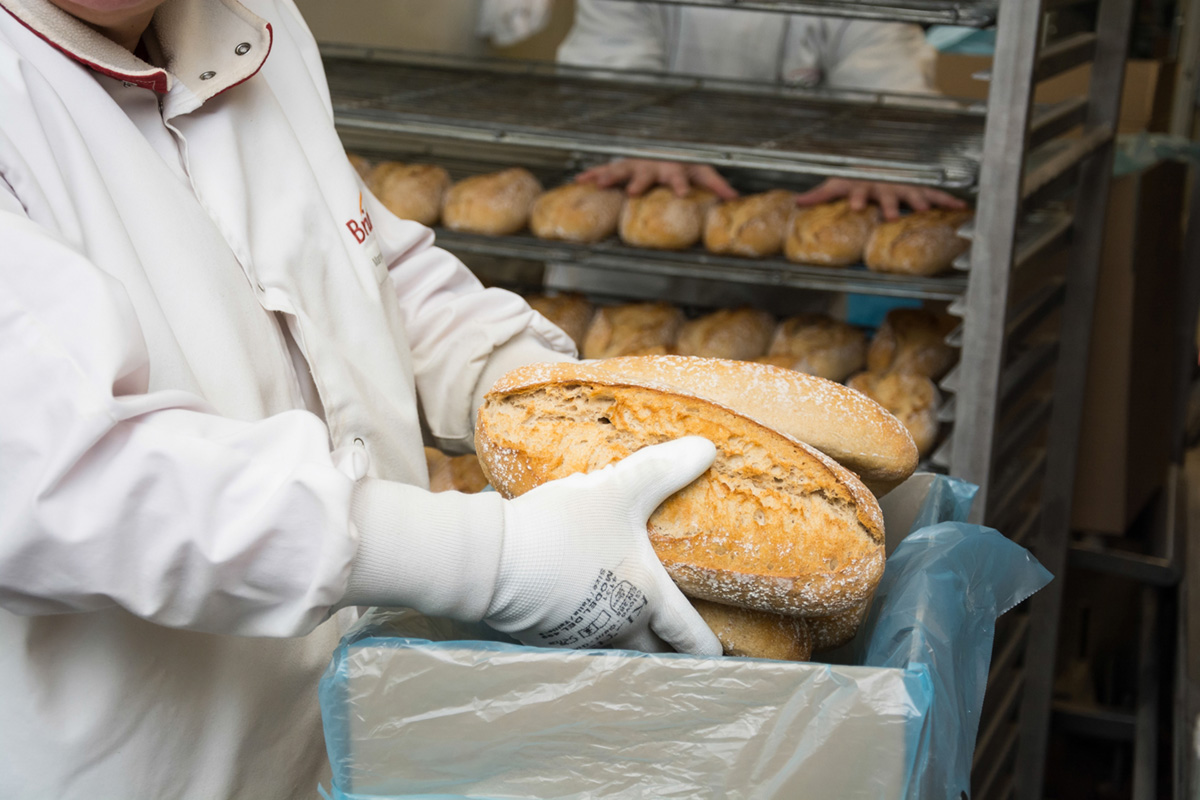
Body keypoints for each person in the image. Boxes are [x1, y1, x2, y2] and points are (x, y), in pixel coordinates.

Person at [0, 0, 724, 797]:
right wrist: (490, 558)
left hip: (354, 728)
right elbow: (65, 480)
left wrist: (546, 403)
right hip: (148, 764)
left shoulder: (251, 18)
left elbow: (364, 260)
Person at [557, 0, 967, 219]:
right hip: (632, 225)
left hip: (794, 240)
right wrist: (643, 141)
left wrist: (885, 155)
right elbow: (607, 76)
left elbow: (891, 89)